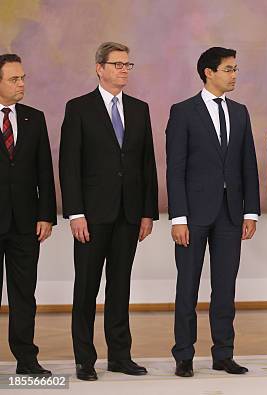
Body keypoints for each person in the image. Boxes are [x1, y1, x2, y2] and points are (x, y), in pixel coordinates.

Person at [59, 42, 158, 381]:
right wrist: (75, 213)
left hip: (129, 214)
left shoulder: (140, 108)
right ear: (99, 68)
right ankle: (84, 359)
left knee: (120, 286)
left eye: (127, 64)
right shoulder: (79, 108)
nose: (123, 69)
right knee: (86, 287)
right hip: (91, 215)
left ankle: (120, 355)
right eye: (117, 64)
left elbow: (147, 164)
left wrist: (148, 212)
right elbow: (69, 166)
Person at [166, 47, 260, 377]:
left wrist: (252, 212)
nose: (234, 74)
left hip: (231, 214)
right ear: (208, 72)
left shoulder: (240, 111)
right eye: (228, 69)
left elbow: (248, 163)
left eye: (236, 69)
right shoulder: (183, 112)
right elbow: (174, 169)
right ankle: (184, 355)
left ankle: (224, 352)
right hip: (192, 215)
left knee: (225, 287)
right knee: (187, 286)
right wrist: (178, 217)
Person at [0, 54, 56, 376]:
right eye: (14, 79)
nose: (22, 84)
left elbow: (44, 171)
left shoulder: (34, 118)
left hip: (25, 224)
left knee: (24, 294)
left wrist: (45, 215)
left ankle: (26, 359)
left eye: (23, 78)